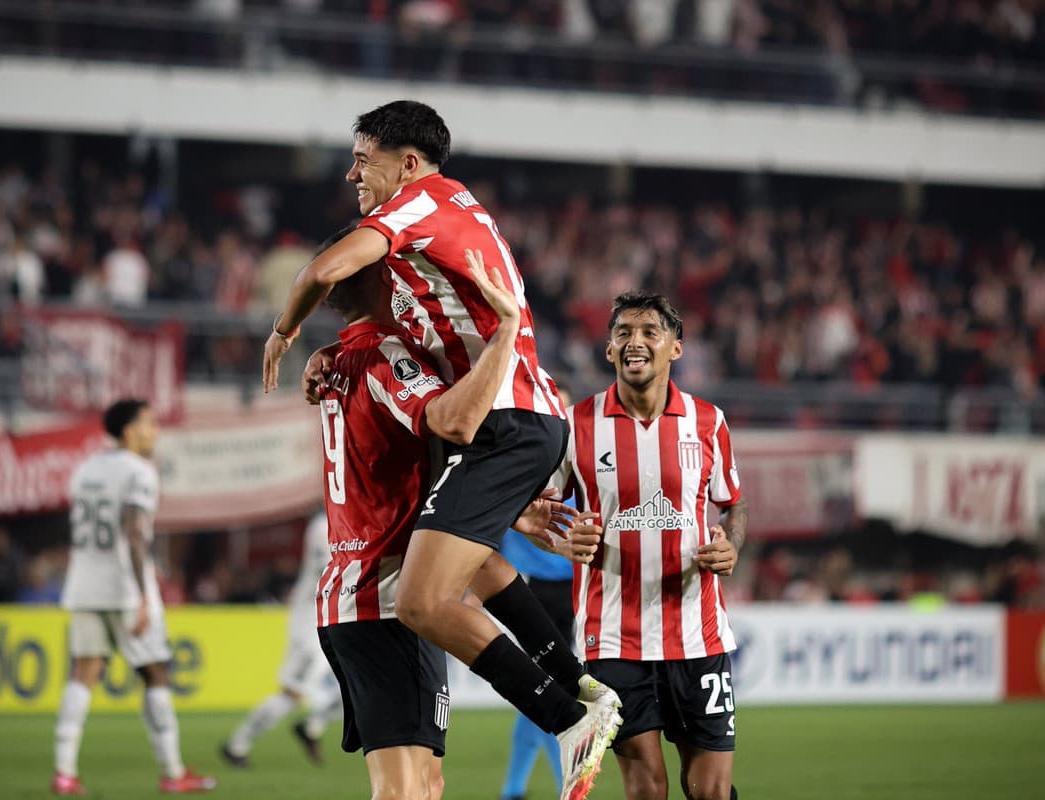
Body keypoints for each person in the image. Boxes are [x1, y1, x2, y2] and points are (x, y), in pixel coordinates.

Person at [263, 100, 621, 800]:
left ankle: (569, 715)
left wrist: (284, 333)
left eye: (361, 161)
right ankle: (578, 686)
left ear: (407, 163)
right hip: (519, 419)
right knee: (467, 564)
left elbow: (324, 270)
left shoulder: (416, 210)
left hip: (500, 422)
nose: (352, 175)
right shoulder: (430, 256)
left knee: (424, 601)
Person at [309, 225, 601, 800]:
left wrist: (509, 507)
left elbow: (429, 467)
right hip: (386, 597)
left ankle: (578, 692)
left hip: (356, 593)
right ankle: (571, 710)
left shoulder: (339, 362)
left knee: (427, 782)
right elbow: (454, 422)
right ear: (385, 278)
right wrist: (506, 334)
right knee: (403, 790)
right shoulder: (388, 358)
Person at [549, 292, 749, 800]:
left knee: (709, 790)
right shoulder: (575, 425)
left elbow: (733, 505)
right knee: (646, 790)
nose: (634, 342)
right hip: (612, 640)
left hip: (698, 636)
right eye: (623, 333)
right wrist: (561, 537)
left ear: (675, 348)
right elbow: (533, 509)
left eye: (648, 332)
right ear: (609, 349)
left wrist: (732, 545)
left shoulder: (708, 422)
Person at [51, 399, 216, 796]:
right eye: (148, 423)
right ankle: (172, 772)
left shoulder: (85, 469)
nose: (154, 430)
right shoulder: (139, 472)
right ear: (128, 430)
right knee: (156, 672)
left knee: (83, 673)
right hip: (125, 589)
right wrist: (144, 594)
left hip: (83, 585)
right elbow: (135, 532)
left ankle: (64, 772)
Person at [221, 511, 342, 767]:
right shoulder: (323, 524)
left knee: (362, 684)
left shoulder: (349, 519)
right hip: (311, 624)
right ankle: (236, 745)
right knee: (292, 694)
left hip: (335, 619)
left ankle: (311, 725)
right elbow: (331, 568)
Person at [495, 519, 576, 800]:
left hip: (559, 584)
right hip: (533, 583)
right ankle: (563, 786)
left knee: (543, 688)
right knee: (546, 688)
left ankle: (515, 789)